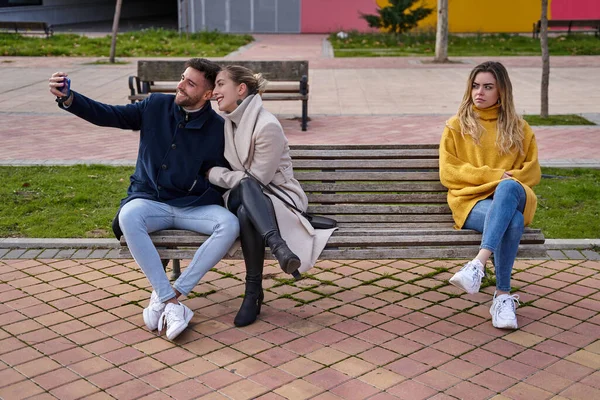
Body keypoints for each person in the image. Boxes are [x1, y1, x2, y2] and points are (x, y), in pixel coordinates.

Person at [48, 58, 239, 340]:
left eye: (190, 83)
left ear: (208, 94)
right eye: (182, 77)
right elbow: (109, 114)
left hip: (193, 206)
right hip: (150, 201)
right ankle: (171, 302)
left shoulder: (218, 127)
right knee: (128, 215)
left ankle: (172, 294)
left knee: (229, 224)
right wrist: (69, 99)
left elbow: (229, 169)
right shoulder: (156, 106)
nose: (181, 85)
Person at [208, 65, 336, 327]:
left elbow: (257, 180)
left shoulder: (267, 126)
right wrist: (215, 174)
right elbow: (245, 180)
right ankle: (278, 246)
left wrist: (215, 173)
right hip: (246, 196)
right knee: (245, 193)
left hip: (277, 199)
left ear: (240, 89)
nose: (215, 92)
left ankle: (253, 291)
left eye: (221, 84)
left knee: (247, 205)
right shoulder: (229, 122)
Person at [439, 61, 541, 330]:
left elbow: (531, 173)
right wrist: (494, 176)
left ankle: (477, 264)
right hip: (471, 202)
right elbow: (449, 172)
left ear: (501, 92)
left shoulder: (520, 129)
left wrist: (503, 183)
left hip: (512, 194)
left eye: (487, 86)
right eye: (474, 86)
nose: (479, 92)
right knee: (514, 222)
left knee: (507, 189)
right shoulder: (457, 126)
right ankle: (502, 296)